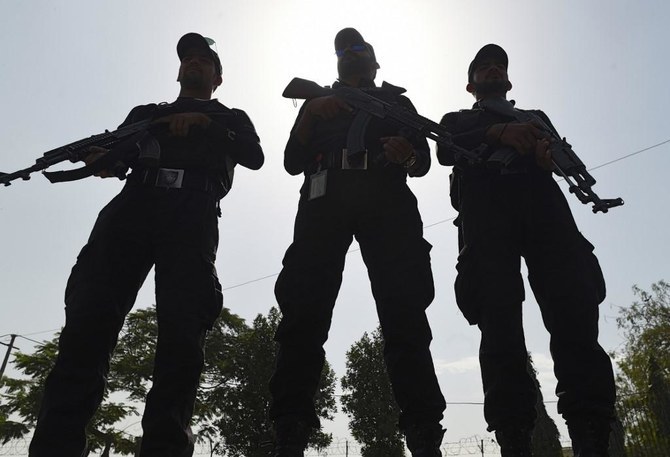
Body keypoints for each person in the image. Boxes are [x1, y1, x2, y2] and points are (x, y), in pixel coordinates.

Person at [29, 33, 264, 457]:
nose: (193, 62)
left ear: (218, 77)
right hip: (133, 209)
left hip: (192, 212)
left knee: (182, 335)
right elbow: (120, 157)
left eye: (204, 59)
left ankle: (165, 447)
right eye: (187, 58)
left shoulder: (231, 118)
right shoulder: (146, 115)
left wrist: (205, 124)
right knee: (87, 325)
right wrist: (101, 159)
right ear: (178, 71)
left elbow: (253, 156)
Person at [269, 28, 446, 457]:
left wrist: (406, 153)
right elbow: (291, 162)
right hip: (324, 195)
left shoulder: (398, 103)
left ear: (375, 61)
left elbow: (422, 163)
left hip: (386, 197)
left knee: (405, 313)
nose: (351, 52)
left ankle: (423, 430)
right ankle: (290, 429)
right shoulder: (317, 101)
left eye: (359, 46)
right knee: (303, 311)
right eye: (343, 49)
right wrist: (311, 113)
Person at [437, 44, 616, 456]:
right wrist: (496, 133)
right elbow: (444, 148)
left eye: (499, 65)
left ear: (509, 80)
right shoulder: (458, 119)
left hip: (545, 210)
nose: (493, 69)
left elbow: (556, 155)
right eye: (484, 67)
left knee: (574, 312)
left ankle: (591, 429)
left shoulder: (534, 118)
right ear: (471, 85)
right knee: (499, 325)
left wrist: (545, 155)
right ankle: (513, 433)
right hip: (486, 216)